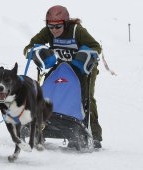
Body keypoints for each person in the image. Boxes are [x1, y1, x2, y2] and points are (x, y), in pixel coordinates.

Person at [23, 5, 102, 148]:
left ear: (65, 23)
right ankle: (44, 123)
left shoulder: (77, 31)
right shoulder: (47, 32)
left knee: (86, 98)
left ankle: (94, 136)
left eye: (58, 26)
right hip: (62, 67)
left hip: (84, 69)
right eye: (50, 26)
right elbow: (29, 47)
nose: (54, 30)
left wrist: (86, 55)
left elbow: (96, 47)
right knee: (49, 89)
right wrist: (37, 52)